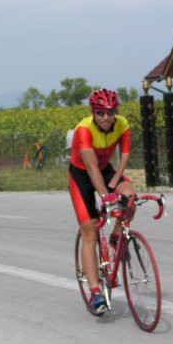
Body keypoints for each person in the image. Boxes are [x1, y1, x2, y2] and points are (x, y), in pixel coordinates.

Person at [68, 88, 136, 313]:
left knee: (130, 197)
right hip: (82, 175)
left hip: (106, 170)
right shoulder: (84, 130)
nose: (106, 118)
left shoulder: (122, 124)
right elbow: (90, 167)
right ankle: (96, 292)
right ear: (93, 112)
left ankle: (116, 238)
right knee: (91, 230)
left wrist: (116, 182)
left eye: (110, 112)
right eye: (100, 113)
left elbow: (125, 155)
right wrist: (105, 196)